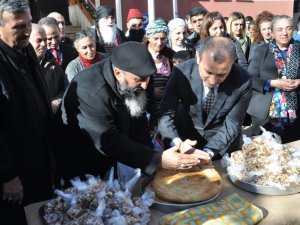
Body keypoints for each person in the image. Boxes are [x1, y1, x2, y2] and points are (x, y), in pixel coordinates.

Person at [58, 41, 210, 183]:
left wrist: (153, 163)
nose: (145, 86)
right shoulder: (89, 90)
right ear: (118, 73)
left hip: (118, 155)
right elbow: (108, 140)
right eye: (140, 79)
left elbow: (139, 121)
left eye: (149, 78)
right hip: (85, 161)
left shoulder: (138, 77)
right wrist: (157, 160)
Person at [0, 1, 53, 224]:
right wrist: (8, 176)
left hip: (39, 162)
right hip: (14, 173)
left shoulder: (27, 49)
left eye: (29, 23)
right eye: (19, 26)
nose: (27, 32)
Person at [158, 36, 252, 160]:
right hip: (186, 141)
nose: (213, 81)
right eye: (208, 72)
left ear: (232, 63)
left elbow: (232, 123)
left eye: (221, 74)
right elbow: (166, 113)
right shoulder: (181, 73)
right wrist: (177, 143)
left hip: (222, 146)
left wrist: (209, 151)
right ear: (198, 57)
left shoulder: (243, 80)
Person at [247, 15, 300, 143]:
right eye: (280, 29)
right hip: (266, 110)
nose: (284, 33)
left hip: (295, 109)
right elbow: (250, 78)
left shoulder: (298, 48)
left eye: (288, 28)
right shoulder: (262, 50)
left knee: (292, 149)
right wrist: (272, 83)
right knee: (264, 151)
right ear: (272, 32)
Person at [143, 19, 175, 129]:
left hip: (166, 103)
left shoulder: (170, 54)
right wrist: (151, 90)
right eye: (155, 38)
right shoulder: (140, 52)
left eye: (163, 38)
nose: (159, 42)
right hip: (144, 102)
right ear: (148, 37)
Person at [29, 23, 65, 114]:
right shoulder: (19, 65)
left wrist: (56, 103)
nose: (44, 44)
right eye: (39, 40)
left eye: (45, 40)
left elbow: (64, 88)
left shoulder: (53, 63)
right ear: (28, 41)